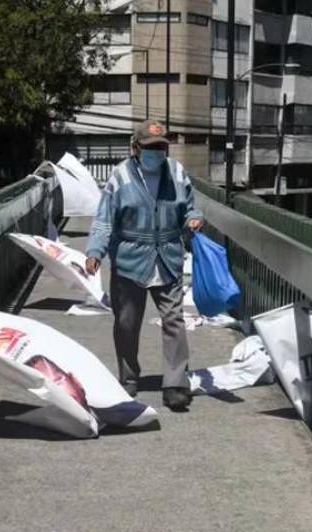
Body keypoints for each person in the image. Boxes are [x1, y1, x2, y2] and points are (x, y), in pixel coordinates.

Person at [85, 119, 204, 411]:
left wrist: (194, 217)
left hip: (168, 257)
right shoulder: (120, 177)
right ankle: (128, 377)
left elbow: (191, 205)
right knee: (126, 323)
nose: (157, 153)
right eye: (151, 148)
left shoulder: (177, 172)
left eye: (162, 147)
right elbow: (104, 218)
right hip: (129, 259)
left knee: (174, 321)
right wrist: (95, 251)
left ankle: (176, 384)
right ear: (136, 148)